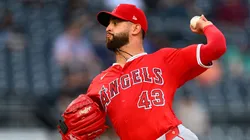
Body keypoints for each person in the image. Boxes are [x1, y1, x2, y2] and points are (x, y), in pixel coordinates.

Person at [61, 3, 227, 140]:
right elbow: (80, 122)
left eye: (116, 23)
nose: (108, 28)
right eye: (108, 24)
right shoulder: (98, 82)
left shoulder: (164, 59)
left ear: (135, 28)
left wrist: (206, 25)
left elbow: (217, 47)